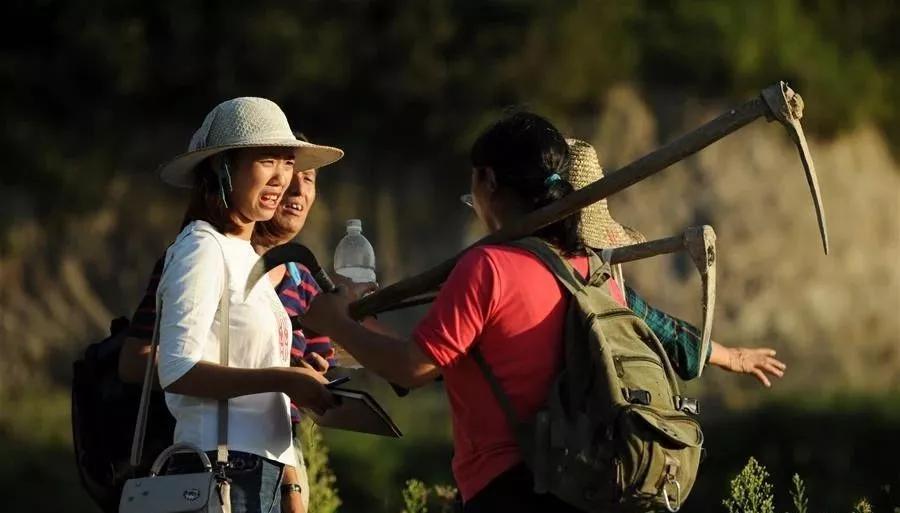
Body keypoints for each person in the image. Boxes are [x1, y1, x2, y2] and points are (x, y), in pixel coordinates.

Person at [298, 112, 596, 512]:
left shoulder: (488, 266)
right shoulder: (589, 268)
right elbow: (439, 360)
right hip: (583, 481)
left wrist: (334, 323)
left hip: (511, 486)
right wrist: (357, 324)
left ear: (488, 181)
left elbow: (414, 368)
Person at [119, 131, 337, 512]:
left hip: (256, 469)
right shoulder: (202, 247)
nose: (282, 179)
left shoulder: (244, 256)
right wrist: (282, 378)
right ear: (224, 170)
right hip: (220, 466)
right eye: (267, 161)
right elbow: (177, 369)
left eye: (289, 163)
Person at [563, 138, 786, 385]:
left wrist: (732, 357)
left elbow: (664, 329)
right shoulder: (591, 278)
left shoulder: (594, 279)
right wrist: (731, 357)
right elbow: (666, 331)